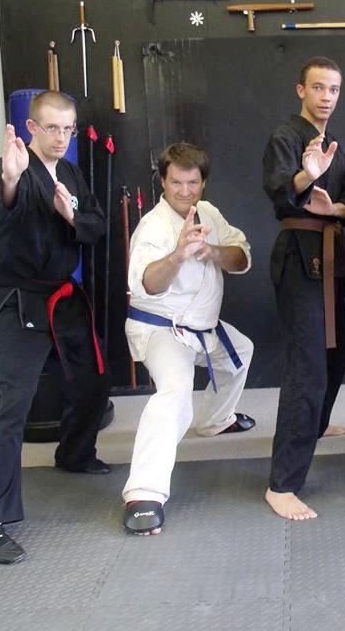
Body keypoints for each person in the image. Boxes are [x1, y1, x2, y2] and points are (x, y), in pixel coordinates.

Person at [0, 90, 110, 564]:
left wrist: (72, 215)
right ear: (31, 127)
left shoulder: (71, 173)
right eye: (52, 127)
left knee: (93, 380)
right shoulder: (12, 165)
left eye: (68, 128)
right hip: (18, 298)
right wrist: (11, 180)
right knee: (14, 403)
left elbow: (96, 225)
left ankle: (74, 454)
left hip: (61, 295)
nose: (61, 137)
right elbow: (1, 205)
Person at [122, 142, 255, 535]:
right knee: (175, 393)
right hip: (161, 328)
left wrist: (212, 251)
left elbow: (241, 257)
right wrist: (178, 255)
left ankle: (214, 420)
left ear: (203, 182)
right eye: (176, 182)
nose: (184, 191)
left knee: (241, 352)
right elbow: (147, 283)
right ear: (163, 182)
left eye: (192, 183)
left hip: (202, 329)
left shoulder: (209, 212)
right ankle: (144, 494)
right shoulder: (153, 227)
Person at [262, 56, 345, 521]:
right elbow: (279, 191)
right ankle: (282, 484)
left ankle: (315, 426)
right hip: (299, 258)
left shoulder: (335, 147)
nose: (326, 96)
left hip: (329, 258)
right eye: (318, 87)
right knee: (307, 368)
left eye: (334, 89)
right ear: (300, 90)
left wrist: (334, 209)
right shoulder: (286, 137)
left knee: (335, 356)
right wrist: (307, 174)